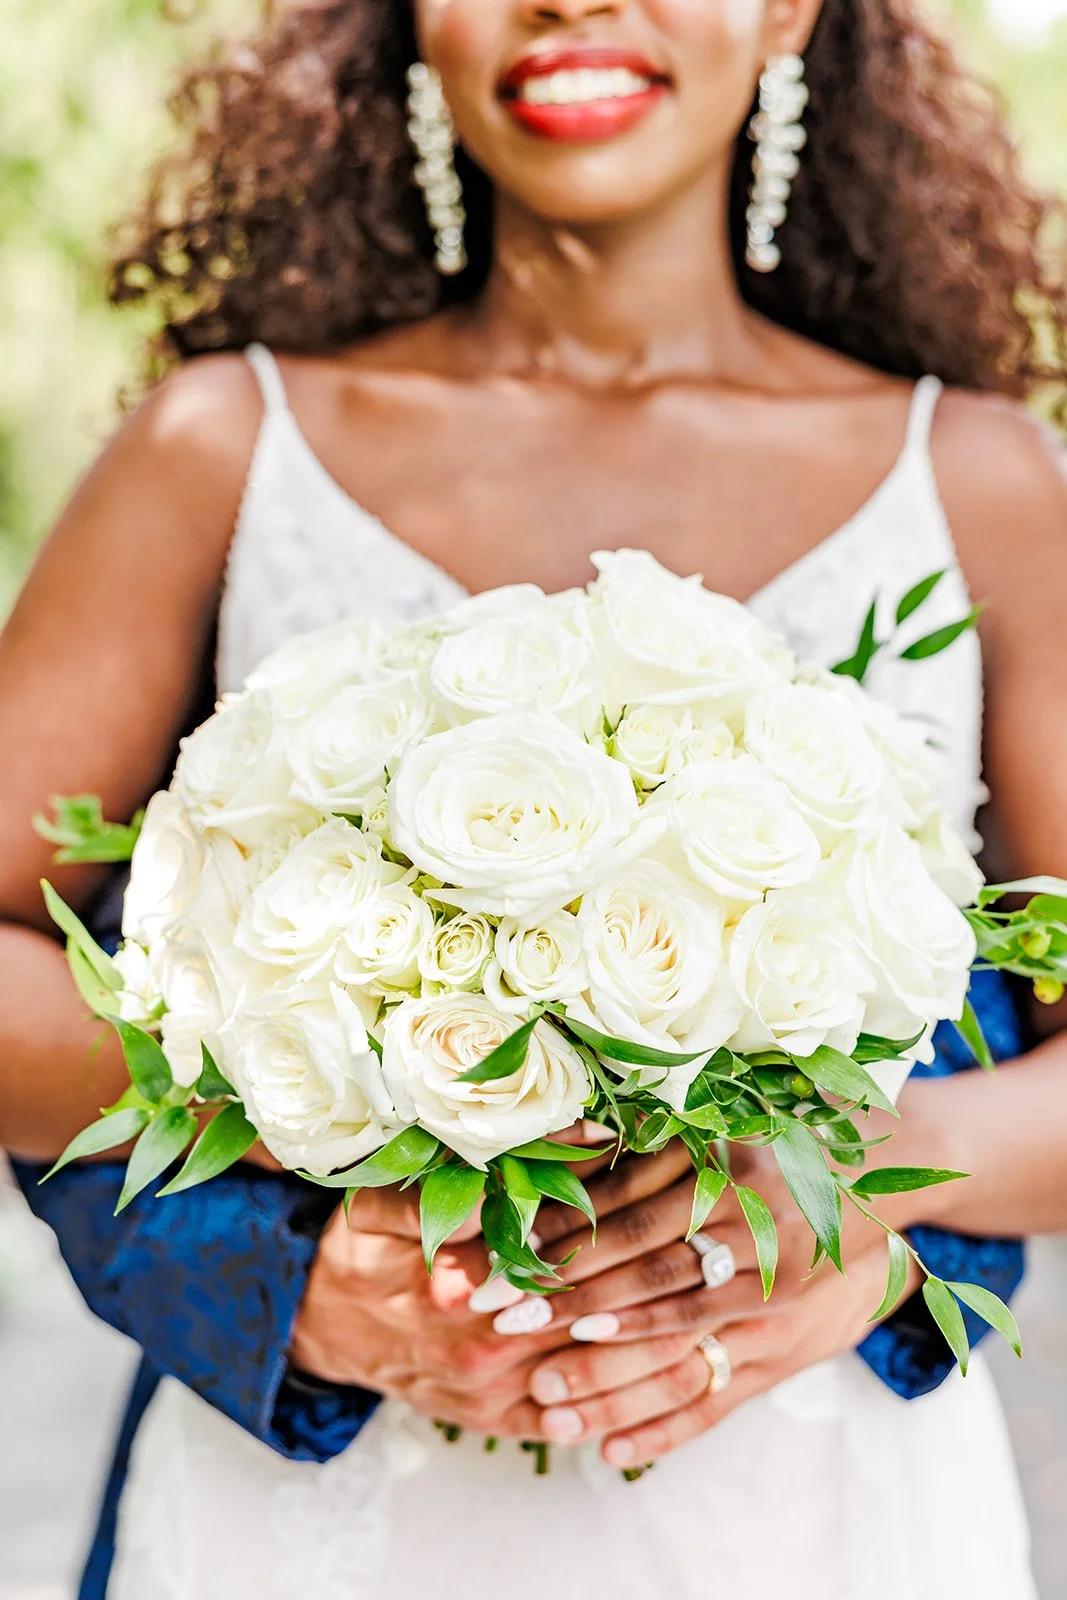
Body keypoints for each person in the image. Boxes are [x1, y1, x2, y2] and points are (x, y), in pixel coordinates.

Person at [2, 0, 1067, 1595]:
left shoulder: (978, 483)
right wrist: (281, 1223)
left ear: (787, 12)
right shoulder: (222, 448)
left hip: (819, 1512)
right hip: (321, 1522)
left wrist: (868, 1180)